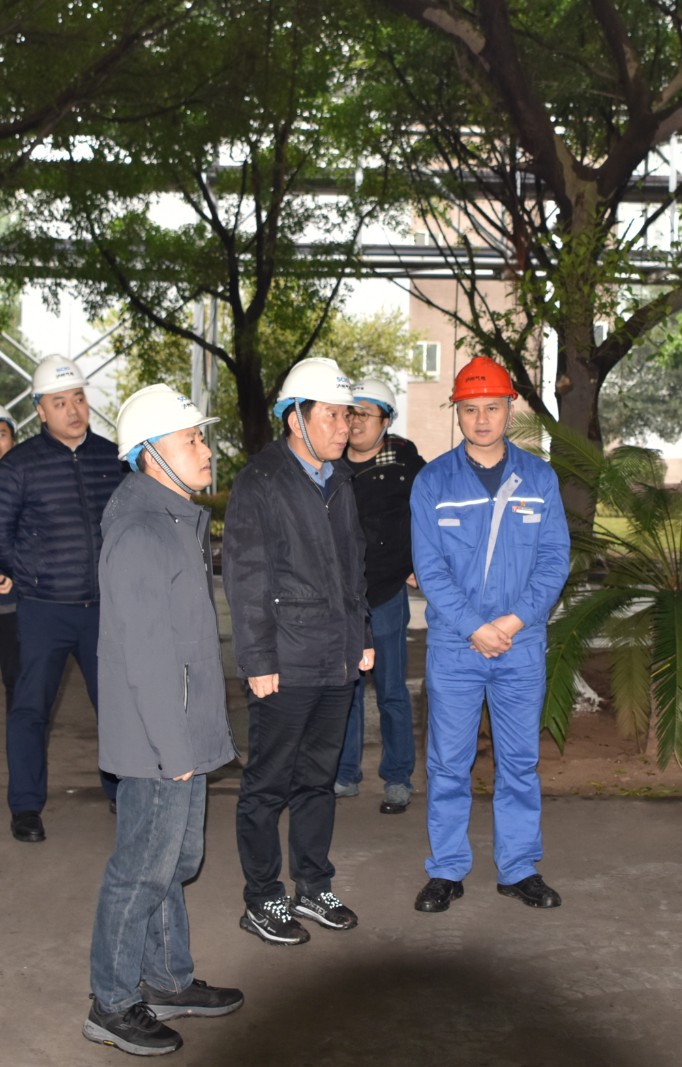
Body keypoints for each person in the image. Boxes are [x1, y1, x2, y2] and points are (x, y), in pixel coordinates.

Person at [84, 385, 243, 1057]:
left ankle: (168, 978)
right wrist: (174, 749)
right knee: (140, 870)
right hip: (159, 738)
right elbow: (146, 659)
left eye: (202, 437)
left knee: (176, 860)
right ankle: (112, 1002)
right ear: (151, 454)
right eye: (191, 439)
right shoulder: (142, 533)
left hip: (184, 728)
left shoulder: (175, 519)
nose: (205, 450)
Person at [409, 356, 569, 914]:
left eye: (493, 408)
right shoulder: (432, 482)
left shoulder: (540, 480)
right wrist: (475, 627)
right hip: (456, 646)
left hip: (520, 646)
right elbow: (429, 568)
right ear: (457, 412)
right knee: (448, 764)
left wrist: (513, 621)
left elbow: (554, 560)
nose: (482, 420)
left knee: (519, 762)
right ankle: (446, 870)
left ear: (509, 410)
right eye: (471, 409)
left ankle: (519, 867)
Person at [224, 357, 373, 946]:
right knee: (267, 784)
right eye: (332, 415)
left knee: (318, 779)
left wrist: (362, 635)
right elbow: (246, 576)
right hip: (286, 662)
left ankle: (312, 885)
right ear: (296, 418)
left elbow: (354, 566)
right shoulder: (261, 480)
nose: (345, 426)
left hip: (337, 657)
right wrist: (257, 660)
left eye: (347, 415)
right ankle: (263, 897)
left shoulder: (339, 480)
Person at [0, 356, 124, 843]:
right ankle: (26, 806)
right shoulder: (19, 465)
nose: (73, 411)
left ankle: (121, 791)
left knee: (115, 706)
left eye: (78, 399)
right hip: (43, 610)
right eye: (59, 403)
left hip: (103, 611)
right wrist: (20, 572)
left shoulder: (112, 458)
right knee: (29, 708)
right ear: (40, 410)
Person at [333, 378, 426, 813]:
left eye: (365, 414)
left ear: (386, 421)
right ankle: (344, 774)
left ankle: (398, 777)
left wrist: (418, 562)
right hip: (342, 597)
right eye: (350, 412)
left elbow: (427, 516)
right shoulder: (330, 463)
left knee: (390, 689)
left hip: (386, 593)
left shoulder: (406, 464)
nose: (355, 422)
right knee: (346, 688)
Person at [0, 406, 20, 720]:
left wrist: (16, 572)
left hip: (13, 606)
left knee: (17, 683)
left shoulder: (26, 484)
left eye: (1, 435)